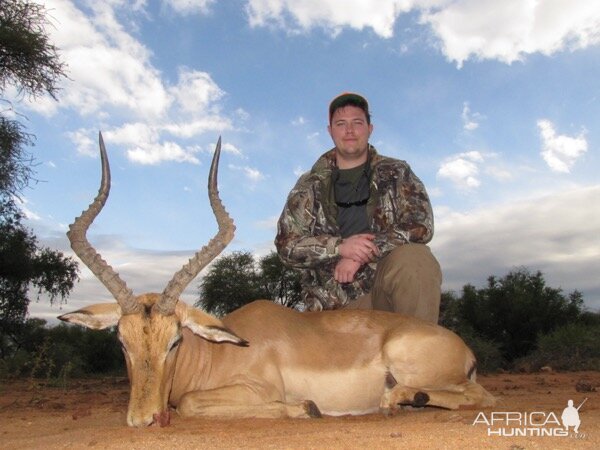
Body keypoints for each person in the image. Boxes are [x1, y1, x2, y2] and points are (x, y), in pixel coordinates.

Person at [275, 92, 442, 323]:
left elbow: (421, 226)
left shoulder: (397, 172)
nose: (349, 130)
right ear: (330, 131)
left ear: (370, 128)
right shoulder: (308, 185)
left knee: (416, 259)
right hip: (333, 307)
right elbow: (286, 245)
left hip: (386, 291)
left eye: (357, 123)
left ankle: (417, 353)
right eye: (341, 124)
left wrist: (360, 253)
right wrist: (339, 248)